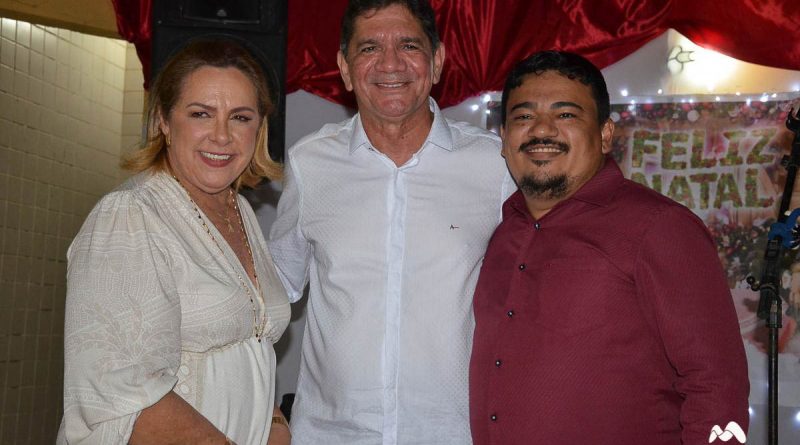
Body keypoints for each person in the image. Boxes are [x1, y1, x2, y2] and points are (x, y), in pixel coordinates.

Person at [468, 50, 750, 444]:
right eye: (523, 117)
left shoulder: (660, 227)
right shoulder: (501, 233)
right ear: (503, 138)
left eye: (566, 115)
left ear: (604, 134)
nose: (542, 130)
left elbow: (717, 384)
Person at [269, 0, 513, 443]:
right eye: (369, 48)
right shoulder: (310, 164)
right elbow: (270, 298)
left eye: (408, 45)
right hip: (330, 435)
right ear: (345, 68)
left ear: (437, 60)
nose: (390, 63)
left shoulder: (494, 166)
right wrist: (259, 409)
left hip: (453, 434)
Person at [57, 39, 291, 445]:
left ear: (259, 129)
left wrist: (276, 427)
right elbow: (121, 391)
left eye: (240, 117)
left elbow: (249, 348)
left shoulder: (239, 211)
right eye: (201, 114)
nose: (222, 136)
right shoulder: (130, 215)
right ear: (163, 120)